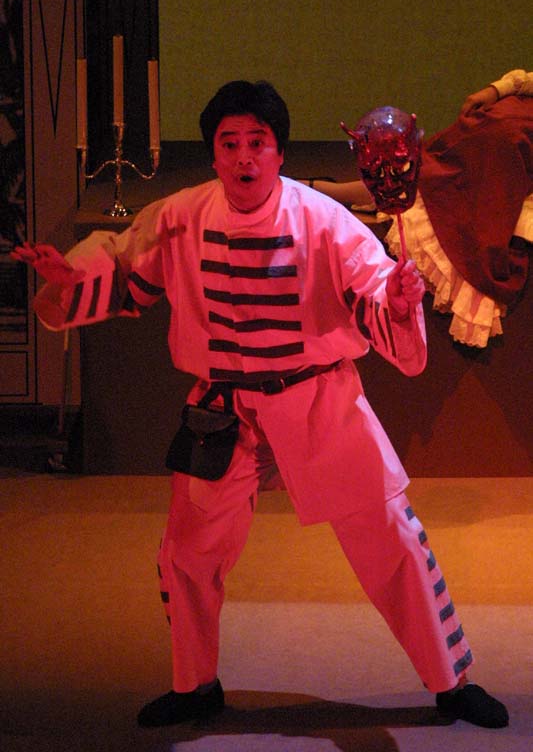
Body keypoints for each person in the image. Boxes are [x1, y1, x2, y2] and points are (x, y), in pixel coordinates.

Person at [11, 80, 508, 730]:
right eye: (229, 144)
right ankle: (194, 684)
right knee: (187, 553)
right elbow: (125, 266)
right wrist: (71, 279)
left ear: (278, 151)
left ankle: (450, 681)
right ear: (214, 153)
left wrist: (395, 296)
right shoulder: (180, 216)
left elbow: (373, 284)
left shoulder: (323, 219)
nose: (244, 157)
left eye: (258, 142)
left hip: (319, 401)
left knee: (392, 540)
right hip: (223, 409)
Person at [302, 70, 533, 347]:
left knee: (493, 152)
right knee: (442, 166)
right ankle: (323, 191)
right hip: (510, 121)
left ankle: (327, 199)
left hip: (515, 147)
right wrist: (497, 90)